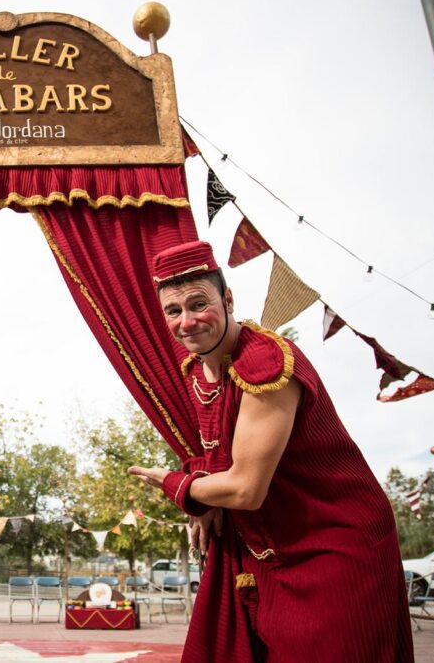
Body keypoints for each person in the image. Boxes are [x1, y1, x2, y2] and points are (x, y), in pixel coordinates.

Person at [127, 241, 412, 662]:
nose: (186, 322)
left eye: (198, 304)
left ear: (228, 300)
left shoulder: (264, 363)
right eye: (173, 311)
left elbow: (245, 489)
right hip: (270, 546)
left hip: (333, 543)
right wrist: (205, 500)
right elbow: (220, 457)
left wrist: (178, 486)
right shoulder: (198, 370)